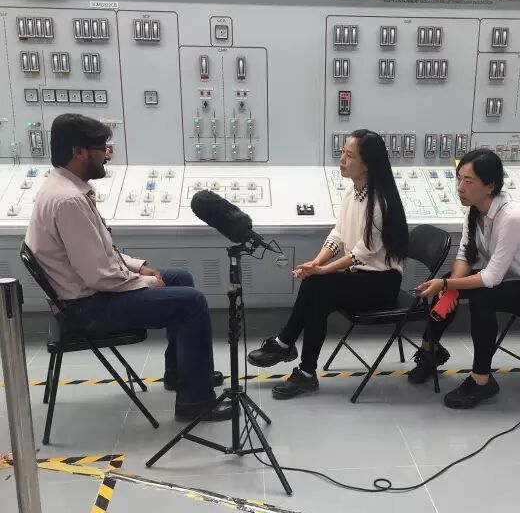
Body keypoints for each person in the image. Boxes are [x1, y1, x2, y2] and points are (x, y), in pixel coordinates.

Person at [25, 113, 230, 422]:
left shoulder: (62, 187)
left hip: (85, 294)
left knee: (180, 278)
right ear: (79, 152)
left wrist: (139, 267)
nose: (107, 155)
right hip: (86, 309)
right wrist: (146, 283)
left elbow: (100, 251)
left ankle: (182, 374)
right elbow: (99, 275)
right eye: (102, 148)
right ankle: (196, 403)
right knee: (192, 303)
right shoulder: (68, 201)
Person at [247, 129, 409, 399]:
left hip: (382, 283)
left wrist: (322, 270)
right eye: (343, 153)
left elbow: (362, 253)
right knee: (317, 297)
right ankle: (305, 371)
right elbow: (338, 234)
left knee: (317, 285)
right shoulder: (352, 192)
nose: (342, 159)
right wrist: (317, 262)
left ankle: (285, 344)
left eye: (349, 156)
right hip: (360, 276)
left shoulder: (379, 203)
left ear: (367, 164)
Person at [410, 148, 520, 409]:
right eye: (459, 179)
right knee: (449, 282)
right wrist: (449, 288)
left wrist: (448, 285)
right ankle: (430, 352)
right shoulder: (475, 211)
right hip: (511, 279)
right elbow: (465, 255)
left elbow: (492, 277)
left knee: (482, 298)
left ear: (490, 186)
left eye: (468, 181)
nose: (460, 187)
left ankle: (481, 380)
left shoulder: (512, 216)